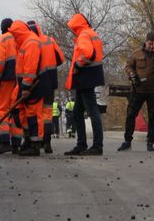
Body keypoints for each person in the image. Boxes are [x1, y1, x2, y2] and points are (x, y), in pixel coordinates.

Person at [64, 13, 105, 156]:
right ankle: (82, 144)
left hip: (85, 77)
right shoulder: (90, 33)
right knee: (77, 112)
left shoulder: (83, 35)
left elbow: (88, 54)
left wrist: (77, 65)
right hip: (90, 76)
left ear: (76, 26)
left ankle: (96, 146)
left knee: (92, 111)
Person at [27, 20, 65, 154]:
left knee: (37, 113)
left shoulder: (30, 43)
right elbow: (61, 58)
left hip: (37, 83)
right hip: (51, 81)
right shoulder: (50, 40)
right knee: (48, 114)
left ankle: (37, 142)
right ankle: (47, 143)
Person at [119, 31, 154, 151]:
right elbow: (128, 66)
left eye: (153, 44)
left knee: (153, 116)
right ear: (146, 41)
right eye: (150, 43)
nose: (151, 46)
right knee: (131, 114)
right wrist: (132, 74)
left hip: (153, 90)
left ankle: (150, 141)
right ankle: (127, 141)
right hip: (138, 89)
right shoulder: (136, 54)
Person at [9, 20, 45, 156]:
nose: (14, 39)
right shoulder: (26, 42)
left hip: (32, 86)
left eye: (15, 36)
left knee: (33, 116)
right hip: (27, 85)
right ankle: (29, 142)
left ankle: (34, 146)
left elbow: (30, 69)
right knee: (26, 115)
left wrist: (25, 88)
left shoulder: (31, 43)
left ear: (19, 33)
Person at [0, 18, 22, 154]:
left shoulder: (3, 39)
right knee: (15, 109)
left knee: (3, 109)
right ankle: (16, 143)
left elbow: (0, 62)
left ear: (2, 28)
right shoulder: (18, 37)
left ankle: (4, 141)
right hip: (20, 77)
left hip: (7, 78)